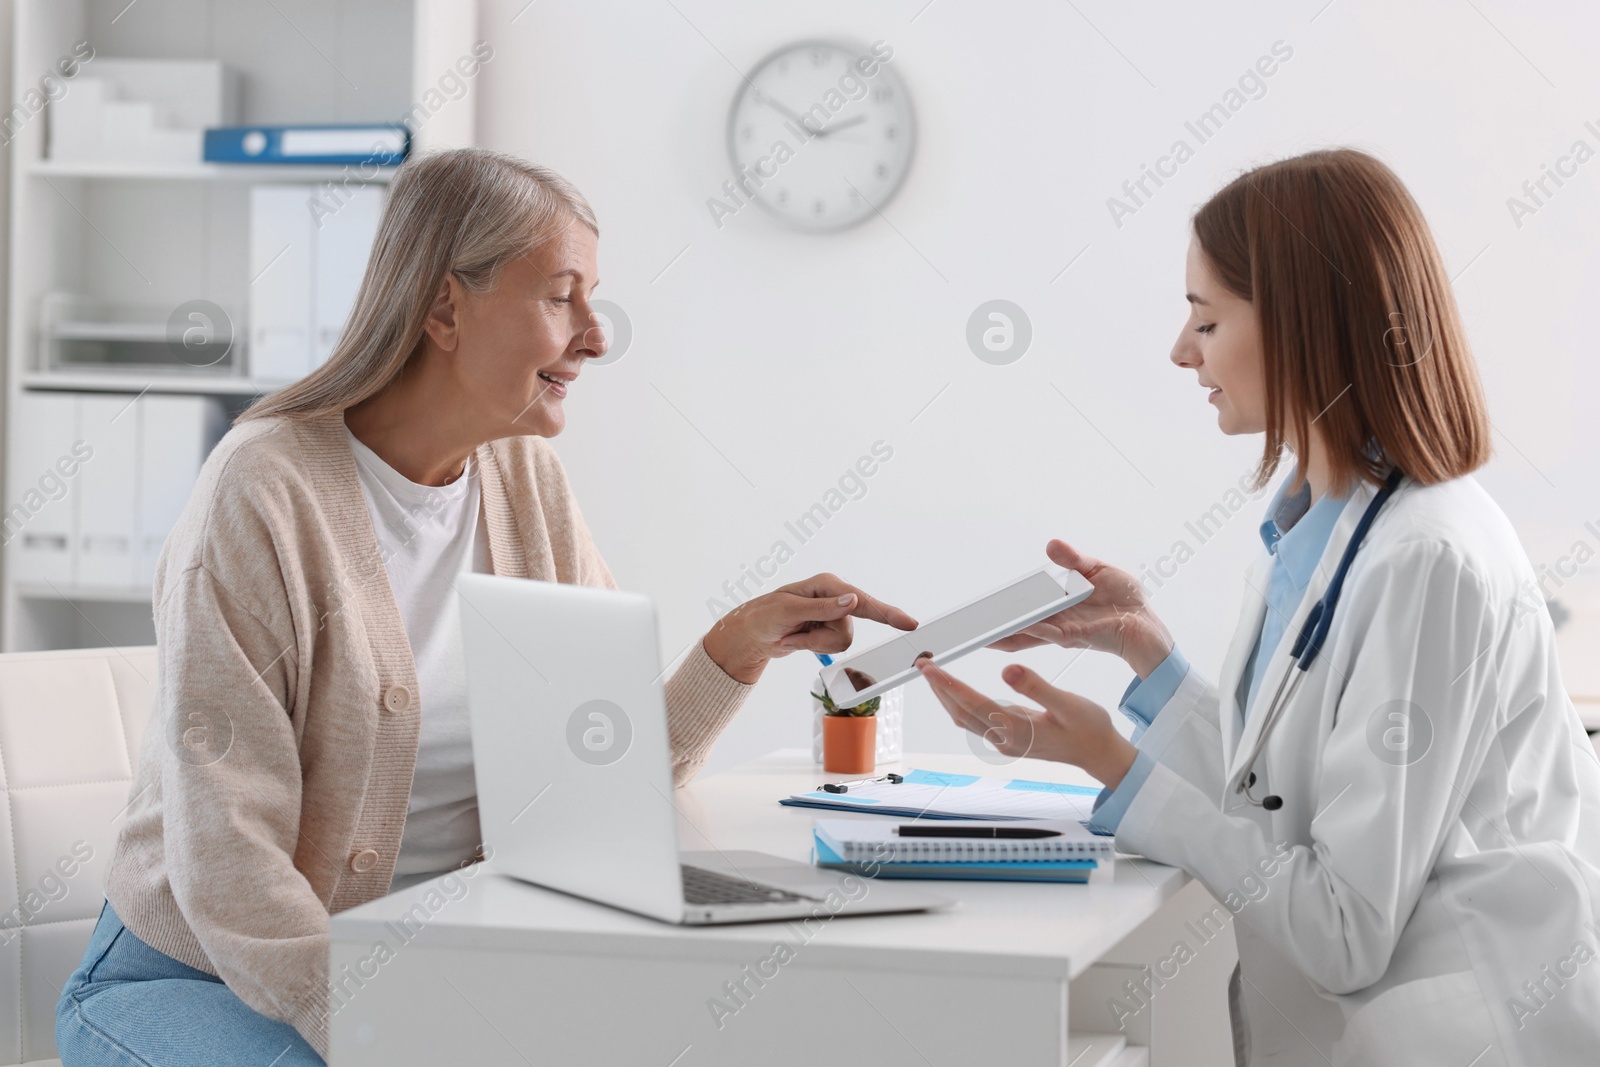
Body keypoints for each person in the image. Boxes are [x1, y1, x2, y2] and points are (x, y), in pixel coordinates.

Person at [55, 148, 917, 1067]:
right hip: (199, 977)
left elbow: (595, 776)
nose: (596, 334)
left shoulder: (525, 481)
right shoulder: (264, 490)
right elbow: (229, 854)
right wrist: (394, 1024)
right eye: (562, 296)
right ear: (441, 308)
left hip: (428, 967)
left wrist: (734, 649)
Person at [917, 148, 1600, 1066]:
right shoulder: (1317, 529)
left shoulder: (1426, 558)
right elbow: (1283, 803)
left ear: (1302, 324)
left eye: (1206, 318)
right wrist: (1150, 661)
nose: (1181, 349)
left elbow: (1344, 929)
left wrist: (1122, 769)